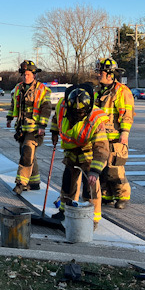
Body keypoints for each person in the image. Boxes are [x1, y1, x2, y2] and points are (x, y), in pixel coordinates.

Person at [50, 84, 110, 231]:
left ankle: (92, 219)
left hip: (88, 152)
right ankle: (64, 211)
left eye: (81, 112)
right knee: (67, 182)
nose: (78, 115)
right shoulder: (62, 106)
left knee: (90, 188)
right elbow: (56, 120)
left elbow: (102, 149)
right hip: (71, 151)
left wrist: (94, 172)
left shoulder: (95, 119)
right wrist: (54, 132)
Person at [6, 60, 52, 195]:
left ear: (34, 74)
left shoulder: (42, 89)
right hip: (21, 128)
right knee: (28, 154)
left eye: (28, 74)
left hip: (35, 129)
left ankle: (21, 183)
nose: (26, 77)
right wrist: (9, 118)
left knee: (26, 153)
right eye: (24, 74)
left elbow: (46, 109)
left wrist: (42, 126)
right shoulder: (18, 88)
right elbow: (13, 105)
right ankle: (35, 182)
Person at [94, 58, 134, 209]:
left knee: (115, 169)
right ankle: (107, 195)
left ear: (110, 74)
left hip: (115, 136)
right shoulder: (98, 90)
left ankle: (122, 196)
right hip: (100, 136)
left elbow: (127, 115)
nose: (98, 74)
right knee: (102, 167)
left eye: (100, 72)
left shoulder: (122, 91)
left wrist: (124, 133)